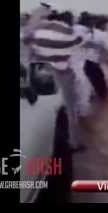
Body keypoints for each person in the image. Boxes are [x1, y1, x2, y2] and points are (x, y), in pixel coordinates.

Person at [27, 9, 86, 152]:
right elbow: (75, 53)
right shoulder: (70, 34)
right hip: (61, 75)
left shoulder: (37, 32)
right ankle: (74, 143)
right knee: (70, 110)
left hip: (39, 74)